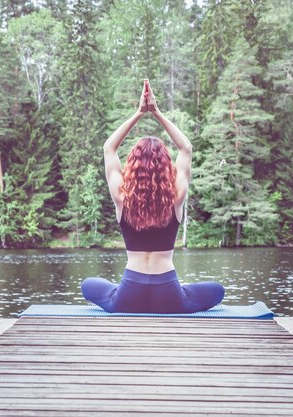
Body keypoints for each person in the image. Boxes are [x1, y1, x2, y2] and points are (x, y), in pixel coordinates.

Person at [81, 80, 225, 313]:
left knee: (88, 285)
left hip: (128, 294)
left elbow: (109, 147)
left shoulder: (122, 197)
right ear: (166, 165)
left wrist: (139, 112)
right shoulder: (175, 196)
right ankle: (182, 289)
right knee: (217, 289)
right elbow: (186, 148)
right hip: (169, 293)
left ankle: (124, 291)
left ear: (132, 165)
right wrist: (156, 112)